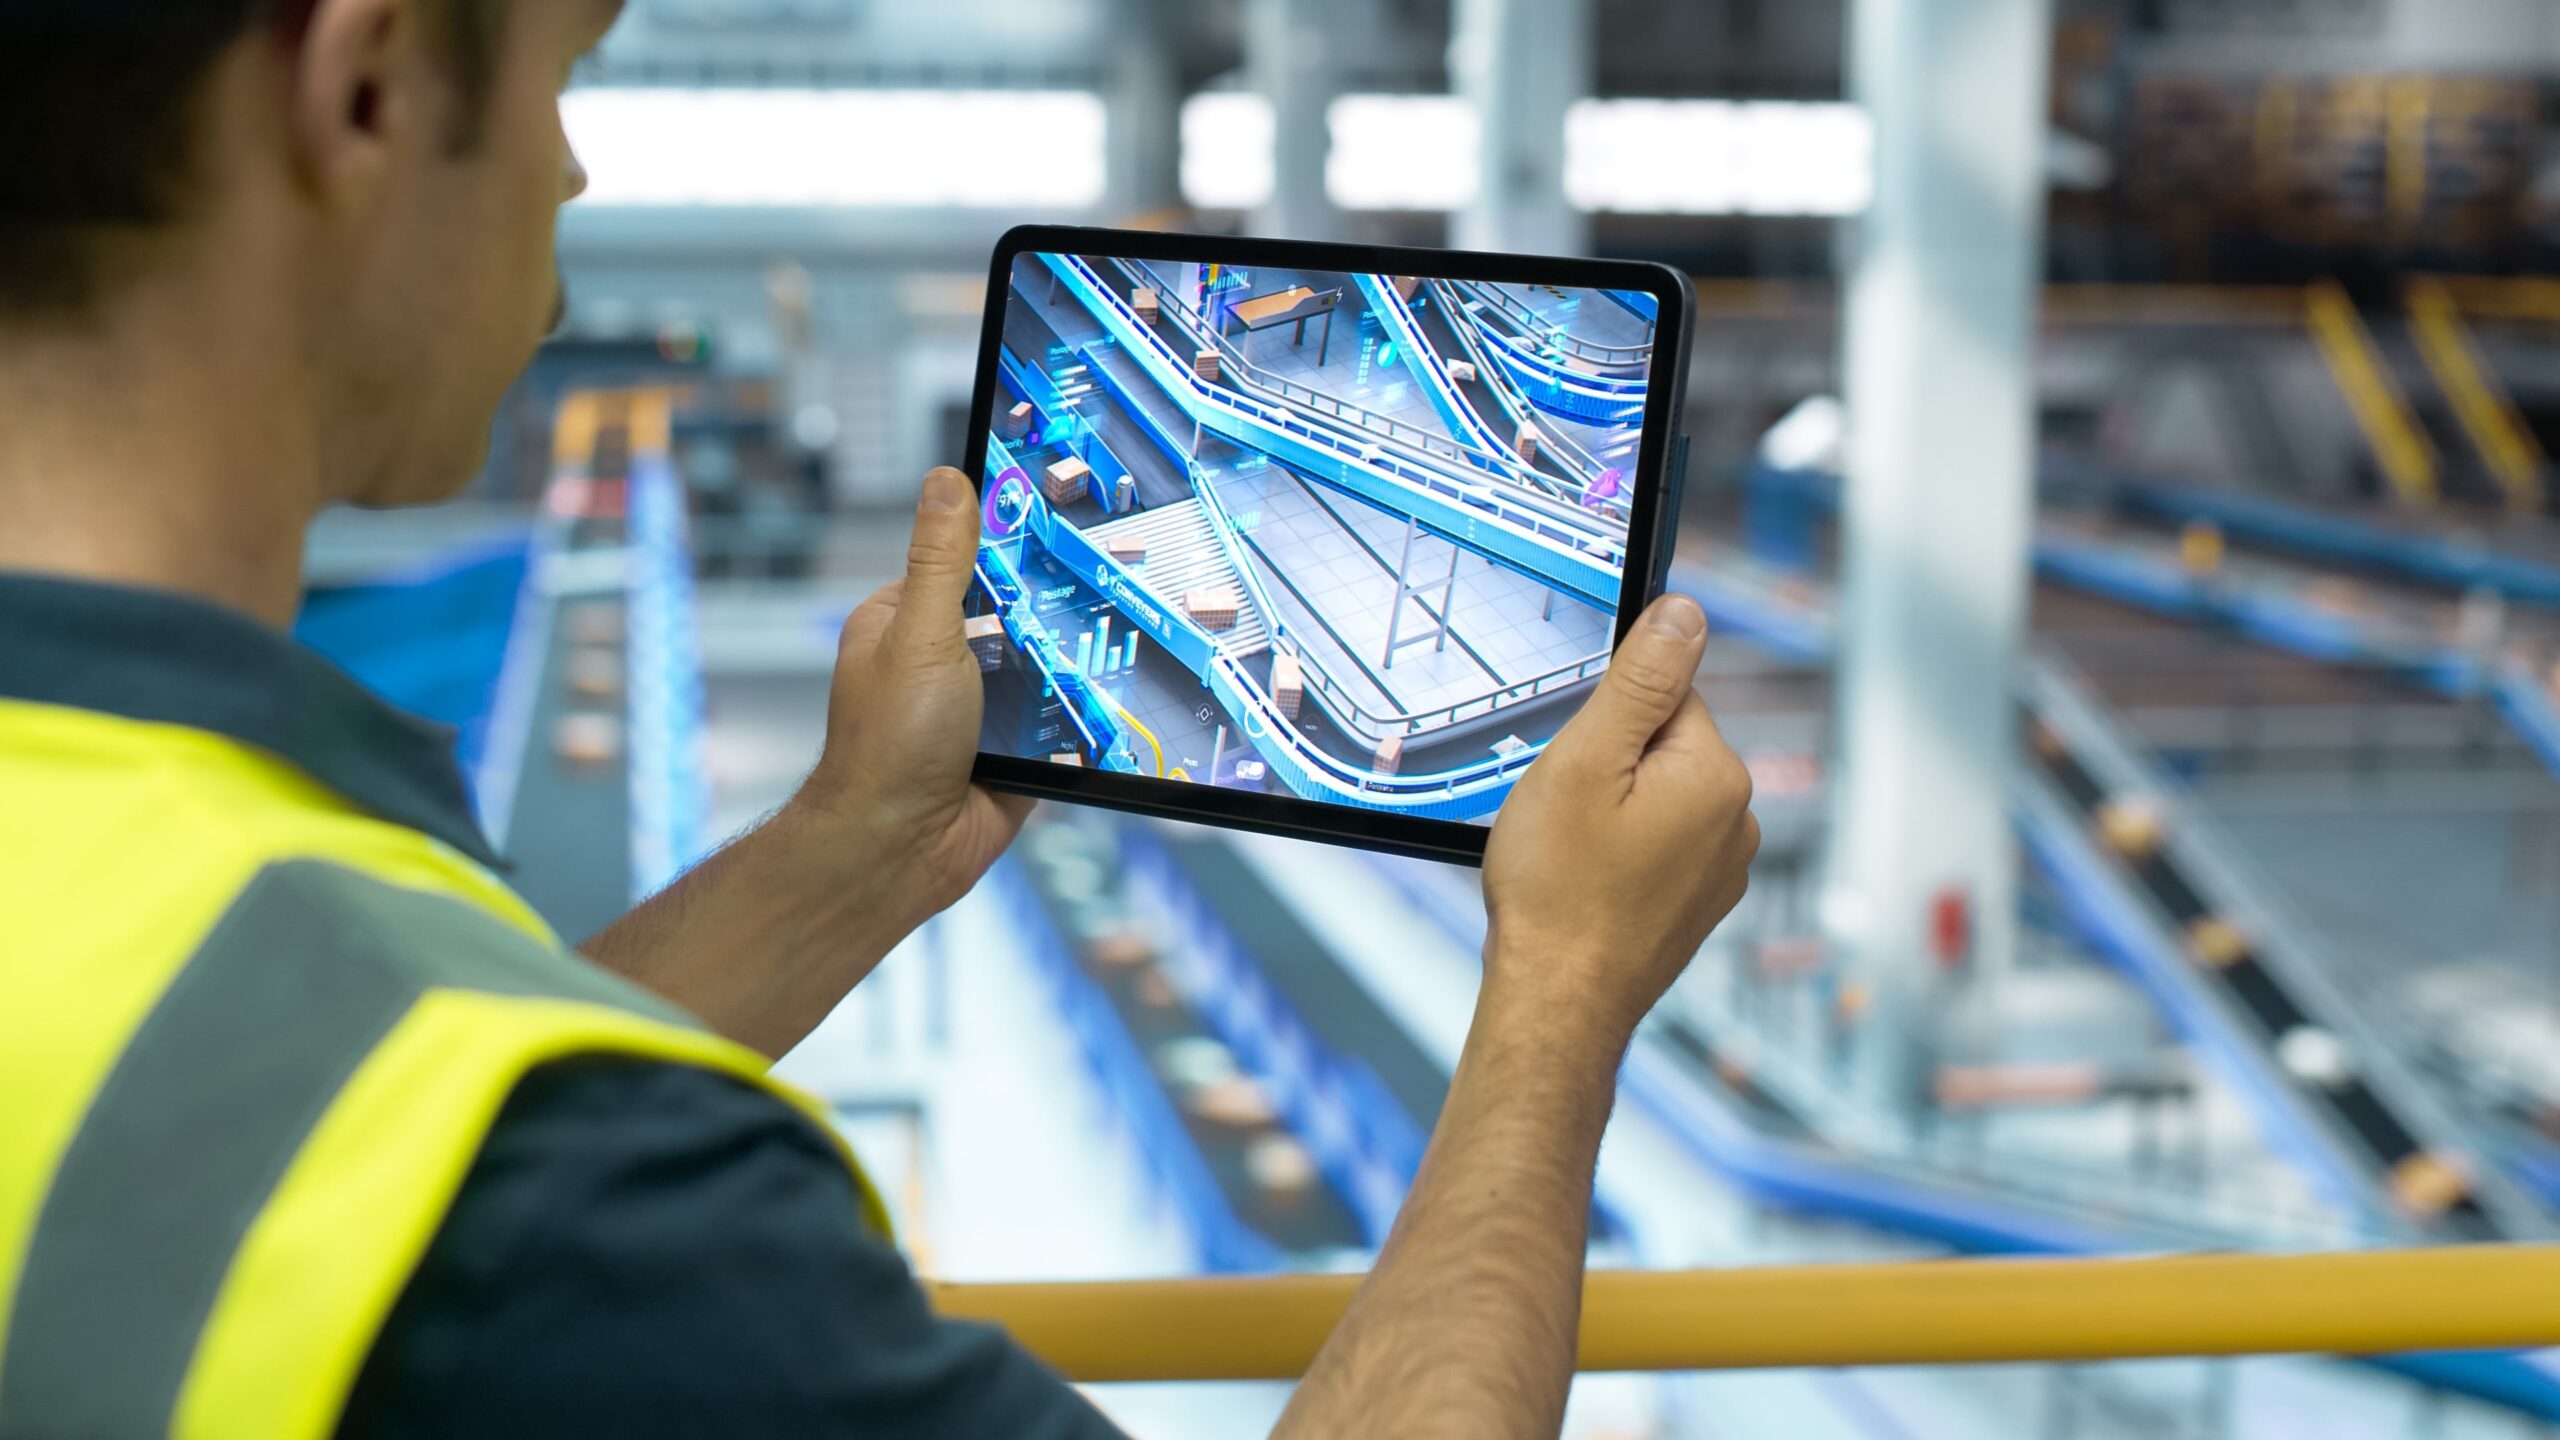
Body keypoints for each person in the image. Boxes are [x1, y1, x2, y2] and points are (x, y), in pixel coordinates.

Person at [0, 3, 1760, 1437]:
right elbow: (438, 1157)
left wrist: (855, 853)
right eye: (563, 74)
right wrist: (1562, 994)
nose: (569, 162)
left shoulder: (178, 900)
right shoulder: (603, 1226)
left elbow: (323, 1111)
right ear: (365, 87)